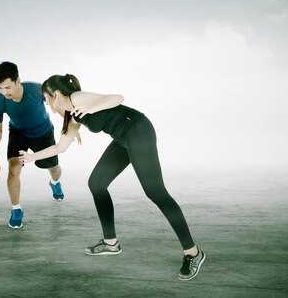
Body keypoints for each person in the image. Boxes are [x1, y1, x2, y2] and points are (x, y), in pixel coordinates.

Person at [19, 74, 205, 280]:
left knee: (155, 191)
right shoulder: (71, 116)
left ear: (55, 94)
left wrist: (92, 108)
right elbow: (60, 147)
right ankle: (110, 243)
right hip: (123, 138)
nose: (45, 103)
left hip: (138, 130)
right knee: (96, 184)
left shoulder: (78, 99)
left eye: (45, 98)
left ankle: (193, 252)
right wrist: (31, 156)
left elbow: (118, 97)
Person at [0, 61, 70, 229]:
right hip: (18, 133)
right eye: (0, 88)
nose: (4, 92)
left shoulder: (37, 89)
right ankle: (16, 209)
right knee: (13, 169)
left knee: (54, 169)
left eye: (7, 87)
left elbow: (58, 106)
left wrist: (70, 125)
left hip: (42, 132)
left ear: (18, 81)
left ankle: (55, 182)